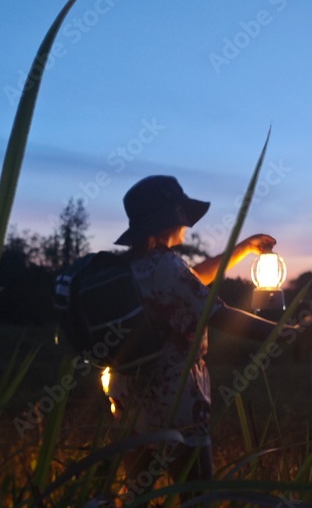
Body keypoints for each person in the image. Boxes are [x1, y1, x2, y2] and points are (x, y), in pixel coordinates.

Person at [105, 174, 285, 487]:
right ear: (171, 220)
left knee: (135, 493)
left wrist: (243, 248)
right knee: (197, 492)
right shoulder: (164, 265)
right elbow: (217, 314)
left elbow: (194, 279)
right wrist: (288, 331)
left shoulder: (134, 264)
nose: (187, 225)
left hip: (129, 397)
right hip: (174, 400)